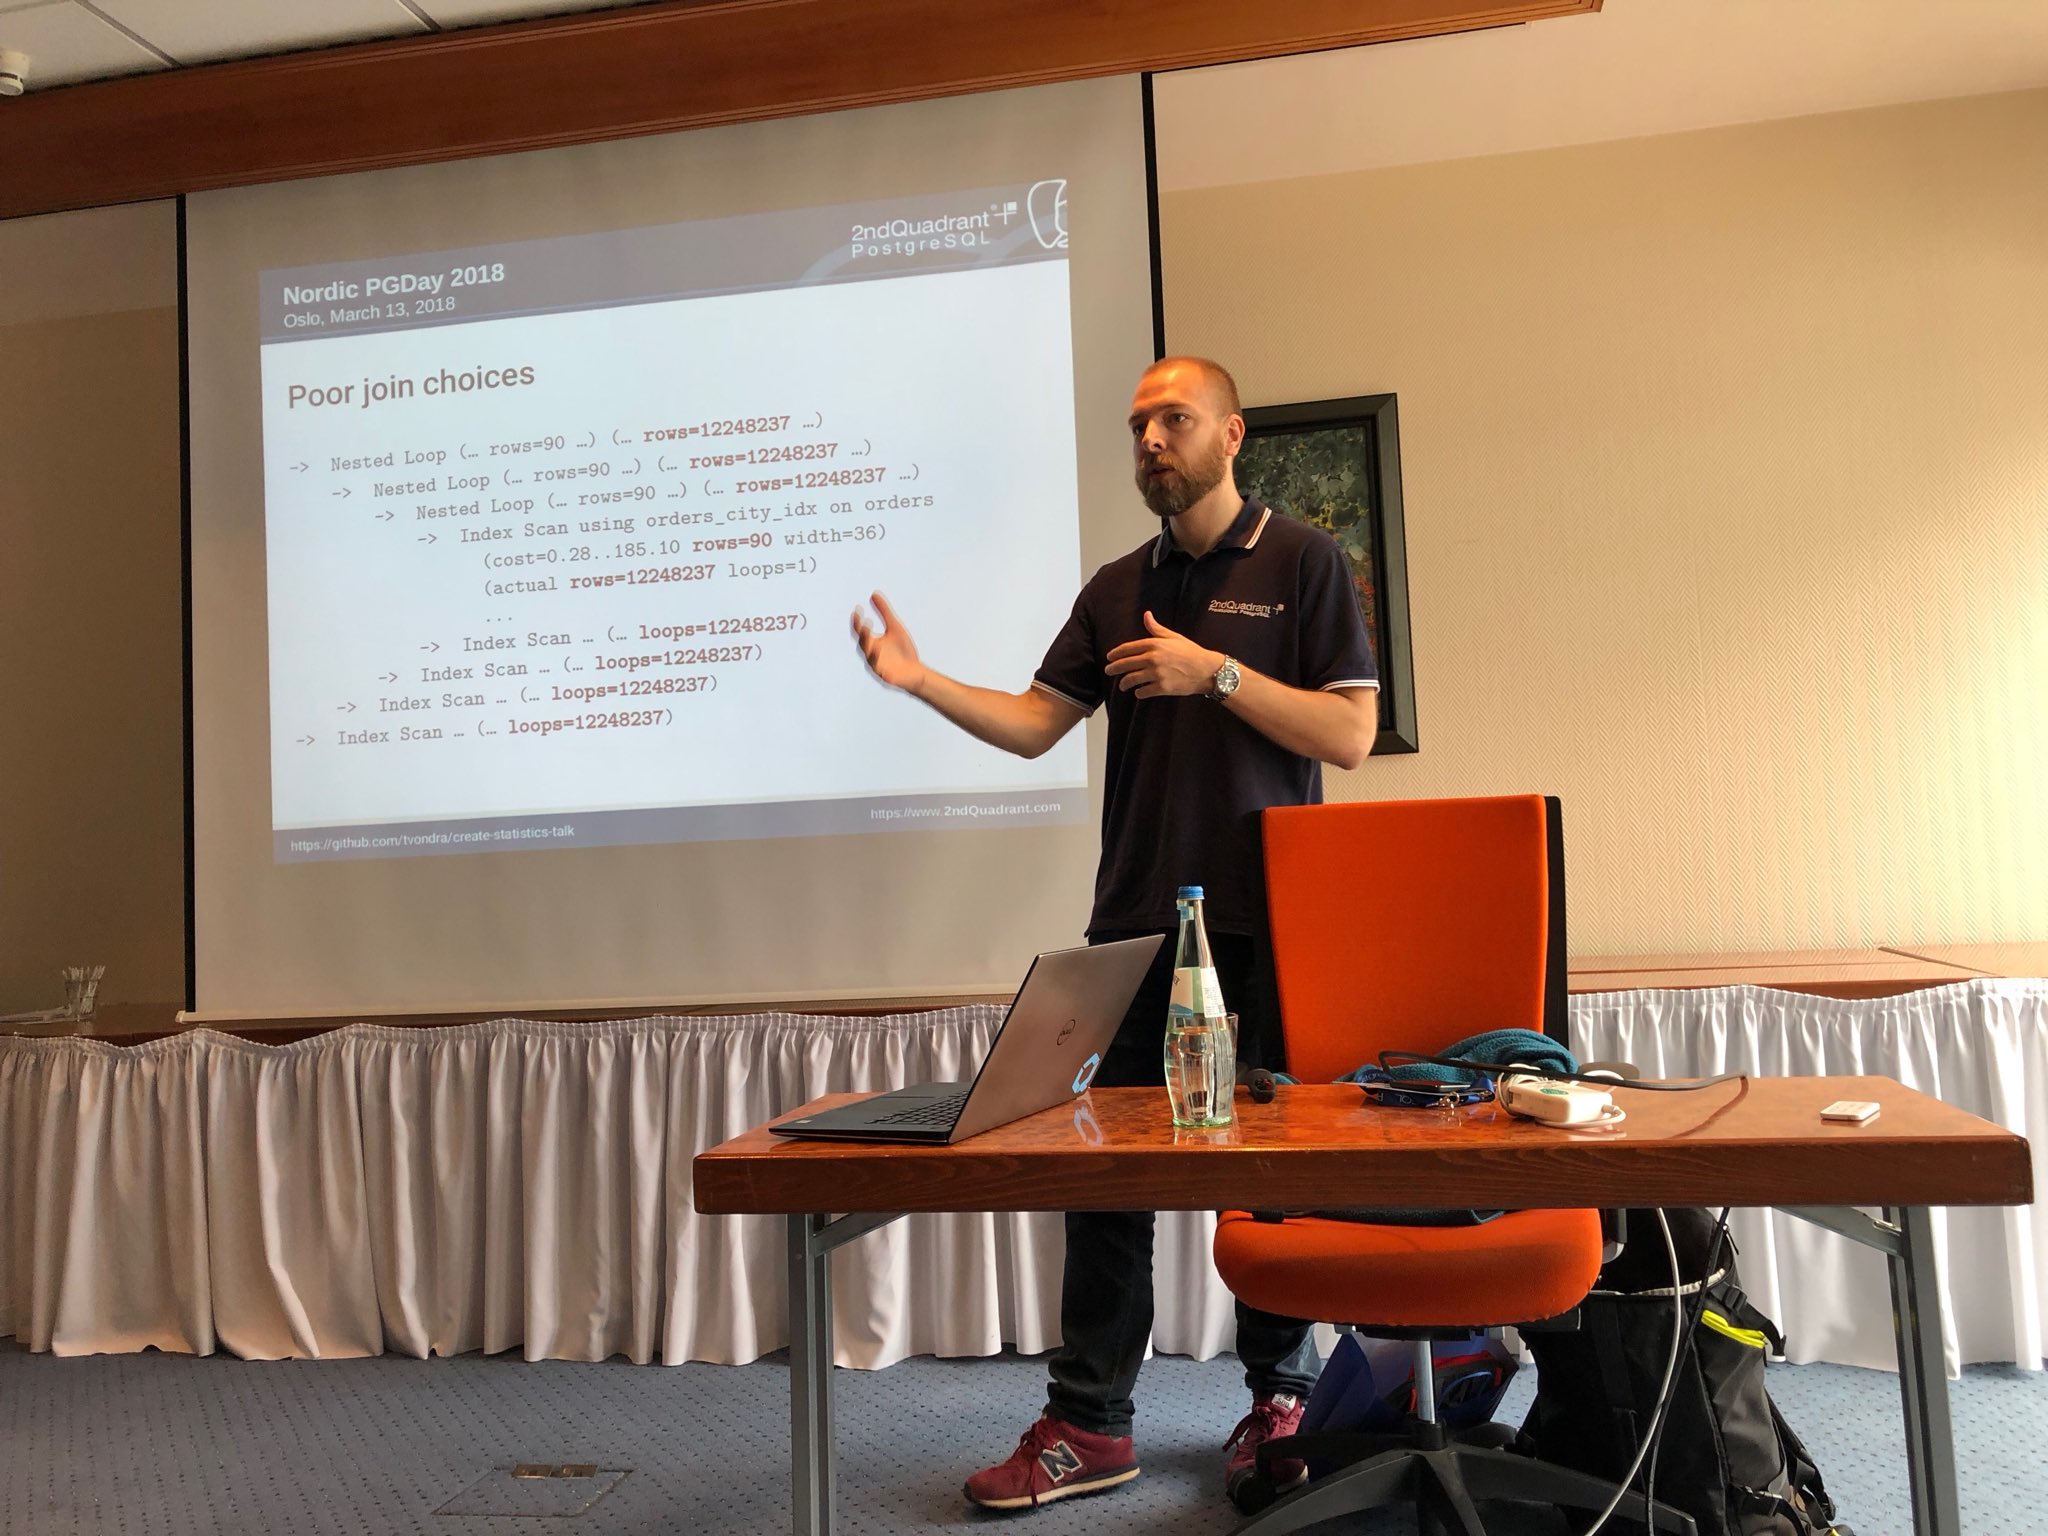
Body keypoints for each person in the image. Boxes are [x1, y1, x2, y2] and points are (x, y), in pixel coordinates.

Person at [850, 356, 1380, 1512]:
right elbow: (1035, 723)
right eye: (1138, 423)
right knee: (1103, 1181)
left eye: (1173, 418)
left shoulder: (1301, 561)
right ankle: (1089, 1425)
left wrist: (1214, 673)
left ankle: (1279, 1404)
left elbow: (1346, 735)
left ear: (1229, 435)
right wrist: (918, 679)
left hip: (1266, 930)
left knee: (1269, 1181)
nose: (1149, 439)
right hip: (1134, 925)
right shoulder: (1113, 587)